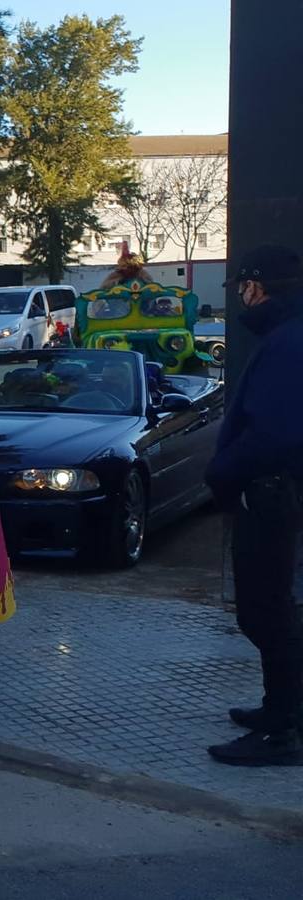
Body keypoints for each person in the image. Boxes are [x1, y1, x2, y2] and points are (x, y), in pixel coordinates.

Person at [204, 244, 303, 767]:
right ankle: (280, 711)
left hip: (267, 494)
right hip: (267, 492)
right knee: (270, 612)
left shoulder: (287, 345)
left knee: (266, 614)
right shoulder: (285, 338)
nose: (242, 297)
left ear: (258, 288)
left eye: (244, 287)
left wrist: (222, 471)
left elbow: (274, 433)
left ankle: (283, 731)